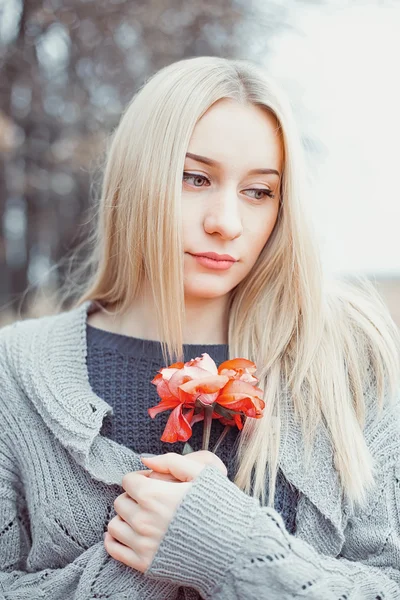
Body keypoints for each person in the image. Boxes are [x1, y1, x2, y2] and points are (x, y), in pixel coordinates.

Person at [0, 56, 399, 600]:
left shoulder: (350, 361)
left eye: (259, 192)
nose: (227, 223)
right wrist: (146, 562)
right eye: (195, 178)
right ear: (137, 180)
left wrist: (232, 552)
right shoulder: (15, 370)